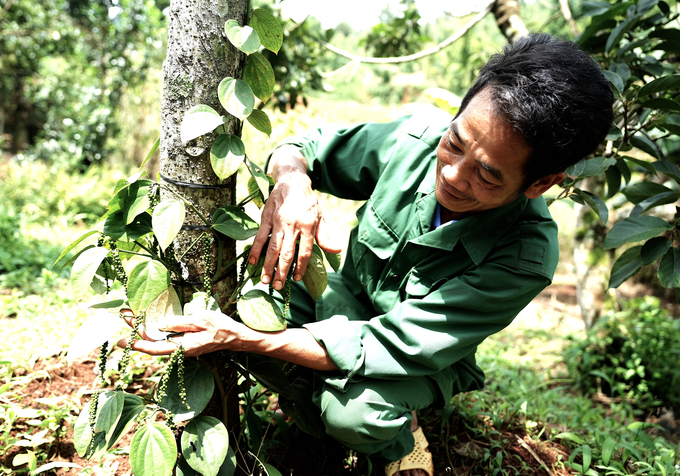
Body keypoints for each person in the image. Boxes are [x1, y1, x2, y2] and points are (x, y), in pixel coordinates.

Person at [122, 33, 614, 476]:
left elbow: (391, 344)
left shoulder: (524, 256)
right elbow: (304, 146)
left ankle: (403, 438)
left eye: (486, 175)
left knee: (354, 415)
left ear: (541, 183)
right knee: (263, 283)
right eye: (455, 143)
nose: (452, 175)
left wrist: (251, 340)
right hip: (341, 302)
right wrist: (293, 184)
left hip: (418, 356)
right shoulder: (415, 139)